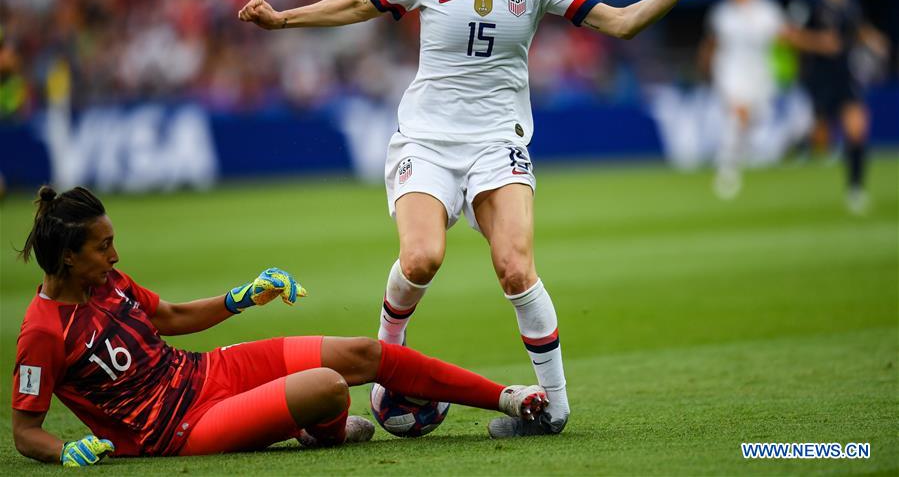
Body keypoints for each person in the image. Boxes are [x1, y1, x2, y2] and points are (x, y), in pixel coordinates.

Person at [239, 0, 734, 437]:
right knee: (422, 258)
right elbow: (358, 6)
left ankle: (555, 407)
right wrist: (282, 20)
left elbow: (620, 24)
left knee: (515, 268)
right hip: (425, 142)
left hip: (499, 144)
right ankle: (387, 362)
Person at [11, 186, 548, 467]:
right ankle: (317, 425)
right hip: (177, 431)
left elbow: (170, 318)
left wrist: (242, 297)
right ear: (66, 259)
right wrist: (64, 451)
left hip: (203, 372)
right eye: (103, 247)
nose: (115, 253)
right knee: (329, 387)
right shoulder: (41, 332)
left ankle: (507, 398)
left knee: (360, 352)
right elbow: (24, 432)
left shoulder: (107, 282)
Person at [698, 0, 841, 199]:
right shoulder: (722, 14)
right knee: (738, 116)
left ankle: (755, 157)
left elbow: (789, 37)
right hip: (730, 71)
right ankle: (727, 171)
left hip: (759, 74)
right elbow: (711, 44)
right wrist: (705, 70)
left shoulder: (767, 10)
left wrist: (819, 43)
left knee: (754, 121)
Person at [794, 0, 889, 214]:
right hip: (818, 75)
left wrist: (873, 39)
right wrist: (818, 42)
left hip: (845, 73)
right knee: (820, 138)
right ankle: (800, 144)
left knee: (857, 128)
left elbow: (857, 28)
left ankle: (856, 189)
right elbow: (789, 33)